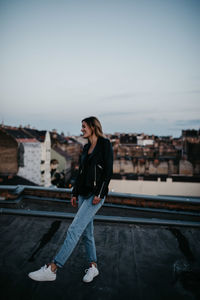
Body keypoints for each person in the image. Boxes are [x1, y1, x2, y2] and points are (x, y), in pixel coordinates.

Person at [28, 116, 113, 283]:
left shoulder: (105, 144)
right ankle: (93, 266)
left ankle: (53, 268)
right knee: (87, 233)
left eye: (84, 127)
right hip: (82, 194)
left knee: (74, 230)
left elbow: (108, 171)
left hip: (95, 195)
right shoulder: (86, 147)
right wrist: (74, 193)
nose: (81, 130)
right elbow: (80, 173)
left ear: (93, 127)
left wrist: (100, 193)